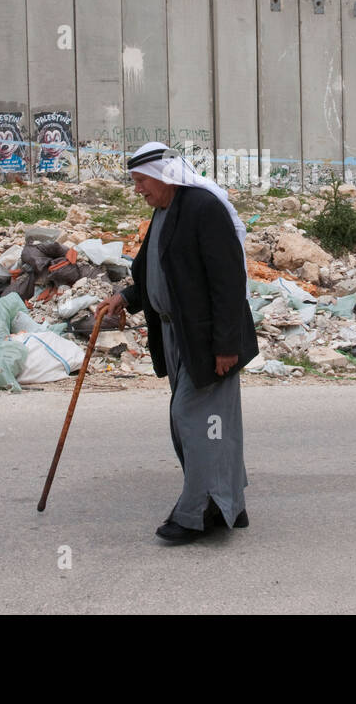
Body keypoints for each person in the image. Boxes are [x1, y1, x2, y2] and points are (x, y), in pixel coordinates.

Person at [98, 142, 259, 544]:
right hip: (175, 334)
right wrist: (126, 297)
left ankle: (195, 514)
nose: (138, 190)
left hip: (206, 338)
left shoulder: (203, 208)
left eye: (140, 181)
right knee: (212, 425)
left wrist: (226, 345)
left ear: (162, 173)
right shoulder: (164, 211)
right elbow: (159, 270)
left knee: (195, 420)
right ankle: (227, 506)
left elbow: (228, 282)